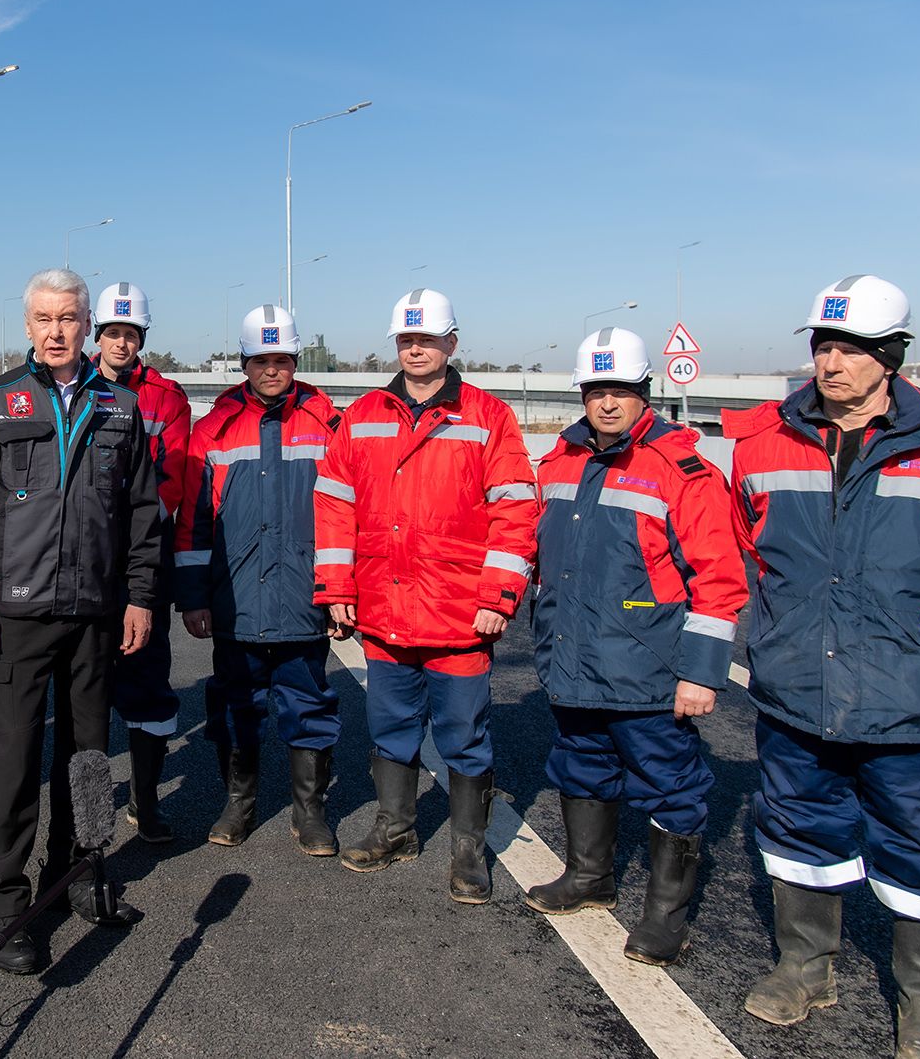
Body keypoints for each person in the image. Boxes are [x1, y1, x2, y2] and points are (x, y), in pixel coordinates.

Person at [726, 275, 920, 1057]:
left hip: (916, 693)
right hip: (799, 687)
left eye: (848, 349)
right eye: (821, 346)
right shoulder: (763, 443)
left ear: (892, 356)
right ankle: (805, 967)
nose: (829, 363)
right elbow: (746, 551)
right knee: (801, 827)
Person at [0, 268, 161, 974]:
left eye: (71, 317)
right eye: (45, 318)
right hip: (14, 615)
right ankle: (6, 901)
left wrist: (139, 594)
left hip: (95, 612)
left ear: (89, 323)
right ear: (28, 325)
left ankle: (80, 875)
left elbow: (143, 515)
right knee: (10, 762)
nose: (59, 330)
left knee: (89, 757)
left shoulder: (121, 408)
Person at [523, 328, 747, 965]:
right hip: (572, 660)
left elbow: (719, 578)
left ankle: (665, 916)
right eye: (595, 391)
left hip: (648, 668)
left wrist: (701, 674)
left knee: (670, 786)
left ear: (643, 392)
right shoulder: (559, 462)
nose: (607, 403)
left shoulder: (682, 470)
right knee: (581, 765)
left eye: (619, 390)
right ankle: (590, 877)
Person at [314, 289, 537, 903]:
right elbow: (334, 506)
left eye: (428, 340)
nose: (416, 350)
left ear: (452, 344)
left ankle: (468, 851)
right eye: (406, 341)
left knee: (464, 734)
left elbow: (516, 512)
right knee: (390, 729)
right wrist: (336, 587)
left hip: (461, 610)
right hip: (385, 609)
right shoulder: (361, 418)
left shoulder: (488, 417)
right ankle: (395, 830)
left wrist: (499, 595)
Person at [175, 304, 343, 855]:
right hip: (236, 599)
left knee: (309, 704)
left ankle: (309, 811)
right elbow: (194, 522)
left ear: (295, 360)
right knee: (233, 706)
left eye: (282, 359)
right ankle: (239, 802)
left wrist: (343, 594)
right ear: (243, 363)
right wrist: (195, 597)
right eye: (260, 360)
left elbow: (350, 513)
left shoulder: (328, 425)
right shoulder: (214, 430)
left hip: (302, 597)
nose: (272, 370)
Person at [81, 282, 190, 843]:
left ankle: (145, 804)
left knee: (147, 680)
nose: (120, 343)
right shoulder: (73, 388)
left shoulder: (166, 399)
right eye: (112, 333)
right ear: (97, 335)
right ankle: (91, 815)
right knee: (88, 691)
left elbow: (167, 485)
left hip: (141, 559)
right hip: (79, 562)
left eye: (130, 333)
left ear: (142, 337)